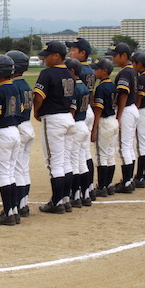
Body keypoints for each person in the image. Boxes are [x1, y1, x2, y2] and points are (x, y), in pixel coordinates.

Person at [33, 41, 76, 214]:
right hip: (68, 118)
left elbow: (38, 96)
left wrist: (36, 111)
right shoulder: (70, 73)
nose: (44, 59)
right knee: (66, 161)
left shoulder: (48, 73)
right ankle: (65, 199)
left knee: (54, 162)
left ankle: (57, 202)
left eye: (47, 55)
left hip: (53, 119)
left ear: (57, 55)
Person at [0, 55, 22, 226]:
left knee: (3, 174)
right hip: (15, 131)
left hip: (2, 133)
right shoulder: (15, 88)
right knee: (10, 172)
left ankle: (8, 213)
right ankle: (14, 211)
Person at [105, 42, 139, 193]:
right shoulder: (132, 71)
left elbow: (123, 94)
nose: (112, 59)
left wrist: (118, 117)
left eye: (115, 56)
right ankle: (129, 180)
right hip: (132, 110)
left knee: (123, 147)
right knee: (129, 146)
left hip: (125, 110)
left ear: (124, 56)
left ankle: (126, 182)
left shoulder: (125, 72)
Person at [66, 38, 96, 198]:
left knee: (77, 154)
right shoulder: (90, 69)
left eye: (73, 50)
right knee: (85, 153)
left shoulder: (79, 71)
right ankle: (88, 188)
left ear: (83, 53)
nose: (70, 53)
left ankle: (77, 191)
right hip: (87, 108)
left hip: (79, 111)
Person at [6, 50, 34, 219]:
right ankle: (23, 204)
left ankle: (17, 205)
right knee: (23, 167)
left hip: (19, 127)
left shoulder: (14, 86)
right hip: (28, 126)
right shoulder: (25, 84)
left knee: (16, 168)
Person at [64, 57, 92, 207]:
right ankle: (85, 194)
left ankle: (75, 195)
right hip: (84, 125)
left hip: (76, 125)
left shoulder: (73, 86)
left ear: (72, 71)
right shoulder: (84, 86)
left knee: (73, 162)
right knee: (82, 162)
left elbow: (72, 109)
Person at [90, 57, 118, 197]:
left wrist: (94, 128)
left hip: (105, 121)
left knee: (101, 155)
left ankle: (101, 186)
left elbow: (98, 109)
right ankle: (108, 185)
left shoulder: (101, 87)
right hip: (114, 120)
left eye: (97, 69)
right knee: (109, 154)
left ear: (104, 71)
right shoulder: (113, 85)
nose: (95, 71)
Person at [131, 51, 145, 188]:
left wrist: (136, 111)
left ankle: (141, 176)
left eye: (134, 63)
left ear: (139, 64)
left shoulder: (142, 79)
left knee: (143, 145)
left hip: (143, 111)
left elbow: (139, 97)